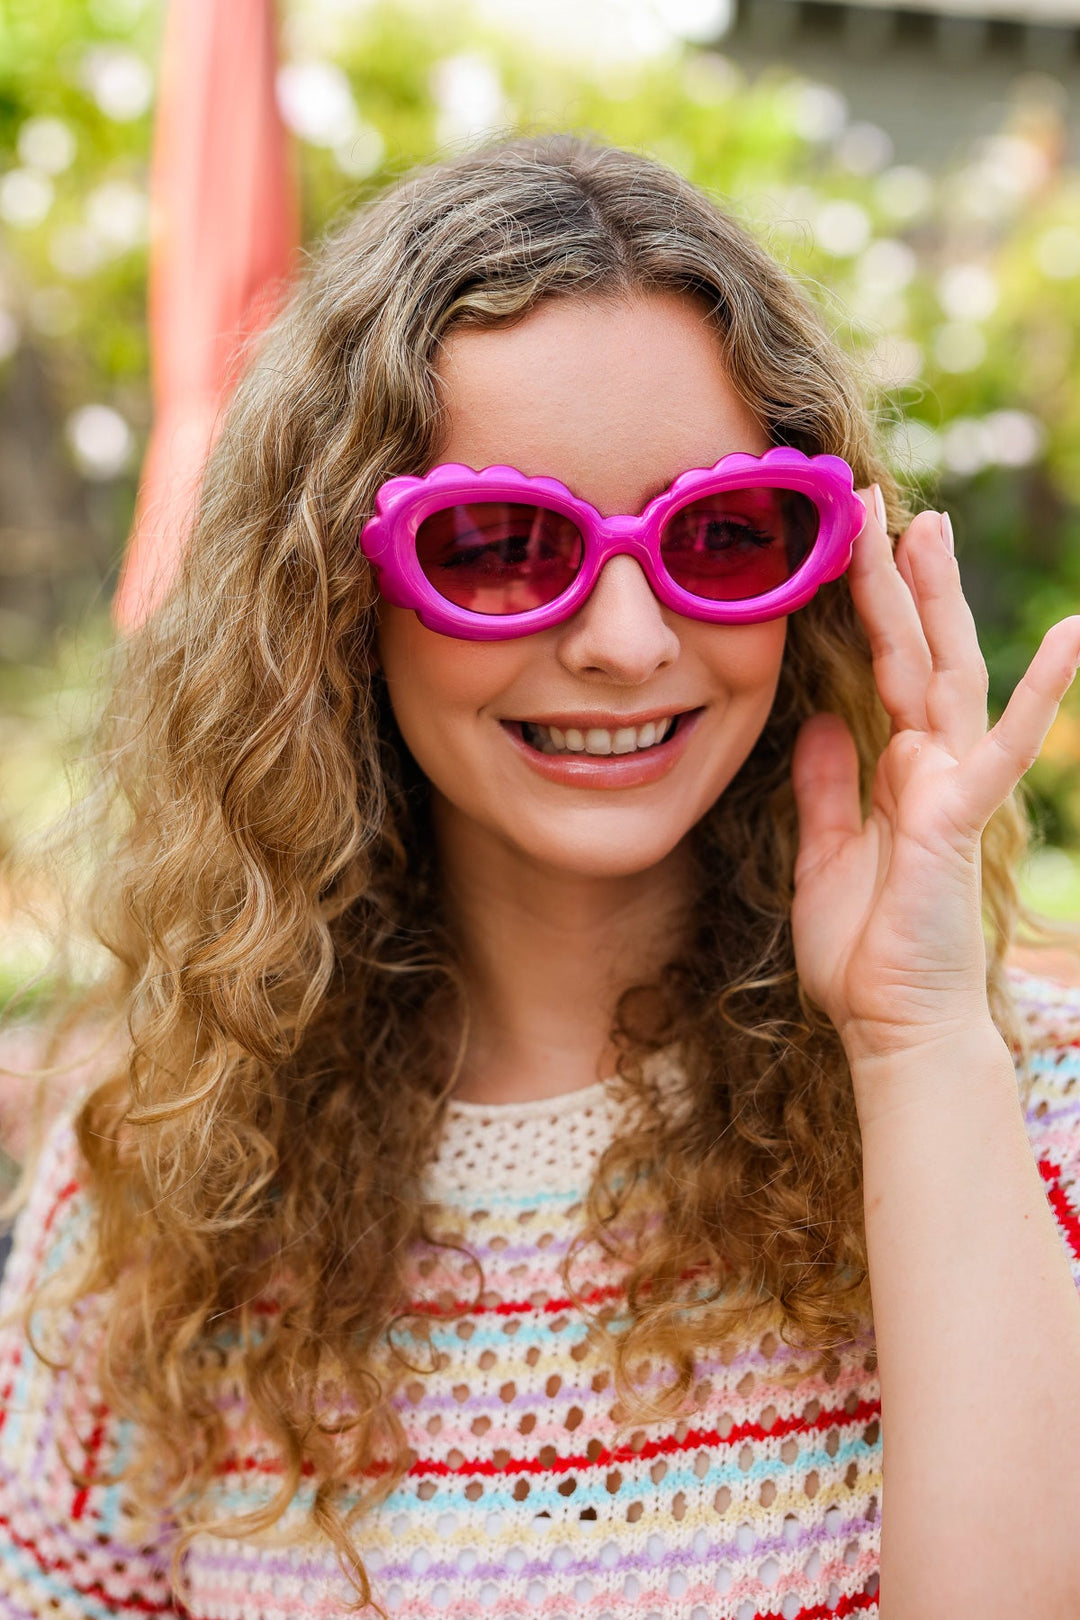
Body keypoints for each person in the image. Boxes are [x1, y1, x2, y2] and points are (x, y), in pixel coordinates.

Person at [1, 133, 1079, 1620]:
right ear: (334, 597)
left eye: (719, 534)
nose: (629, 639)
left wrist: (913, 1043)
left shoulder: (1034, 1116)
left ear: (820, 566)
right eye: (503, 545)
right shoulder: (150, 1190)